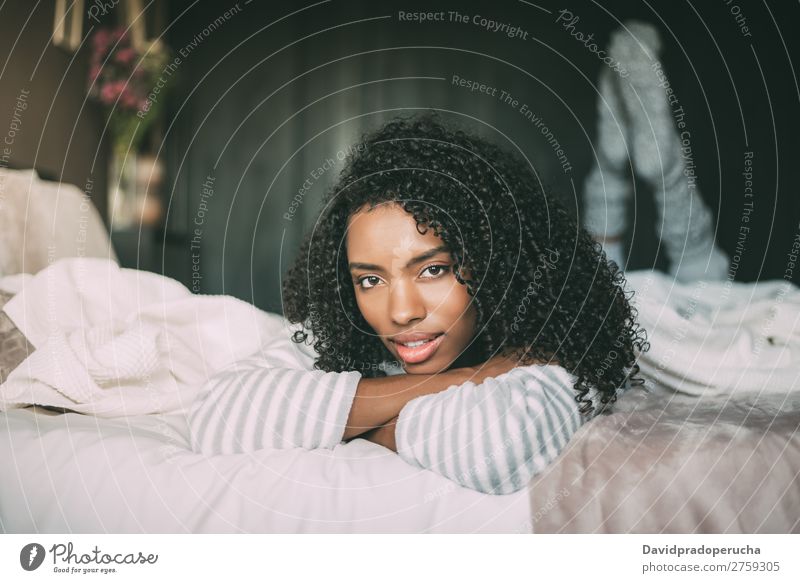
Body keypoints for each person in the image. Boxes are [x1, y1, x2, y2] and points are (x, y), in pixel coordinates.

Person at [188, 113, 646, 495]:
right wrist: (462, 378)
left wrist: (349, 422)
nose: (401, 311)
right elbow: (217, 418)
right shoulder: (351, 336)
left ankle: (622, 182)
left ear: (493, 261)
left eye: (432, 270)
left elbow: (492, 449)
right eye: (370, 279)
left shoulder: (549, 345)